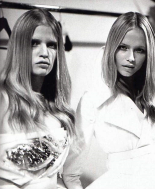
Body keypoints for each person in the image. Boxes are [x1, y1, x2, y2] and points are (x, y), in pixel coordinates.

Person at [74, 12, 155, 189]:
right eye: (123, 47)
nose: (131, 58)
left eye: (140, 50)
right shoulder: (93, 100)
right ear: (112, 48)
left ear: (148, 54)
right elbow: (72, 165)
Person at [0, 8, 79, 189]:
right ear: (19, 46)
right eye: (34, 43)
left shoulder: (58, 107)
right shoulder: (3, 100)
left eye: (51, 45)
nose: (44, 52)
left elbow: (54, 176)